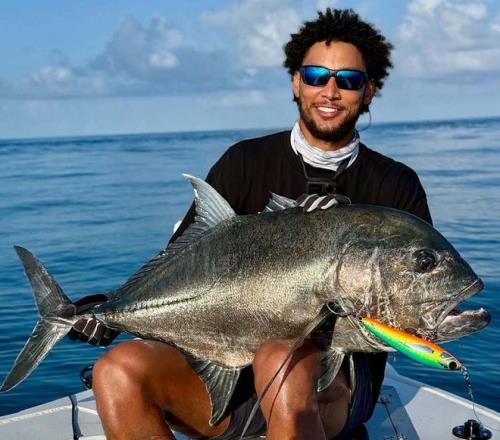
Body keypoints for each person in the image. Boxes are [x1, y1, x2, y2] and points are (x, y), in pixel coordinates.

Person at [70, 8, 432, 440]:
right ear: (296, 82)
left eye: (349, 80)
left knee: (280, 356)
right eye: (316, 75)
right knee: (117, 370)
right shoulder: (244, 162)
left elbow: (415, 308)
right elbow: (181, 261)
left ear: (368, 90)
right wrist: (110, 307)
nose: (330, 91)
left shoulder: (396, 185)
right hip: (230, 370)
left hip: (334, 386)